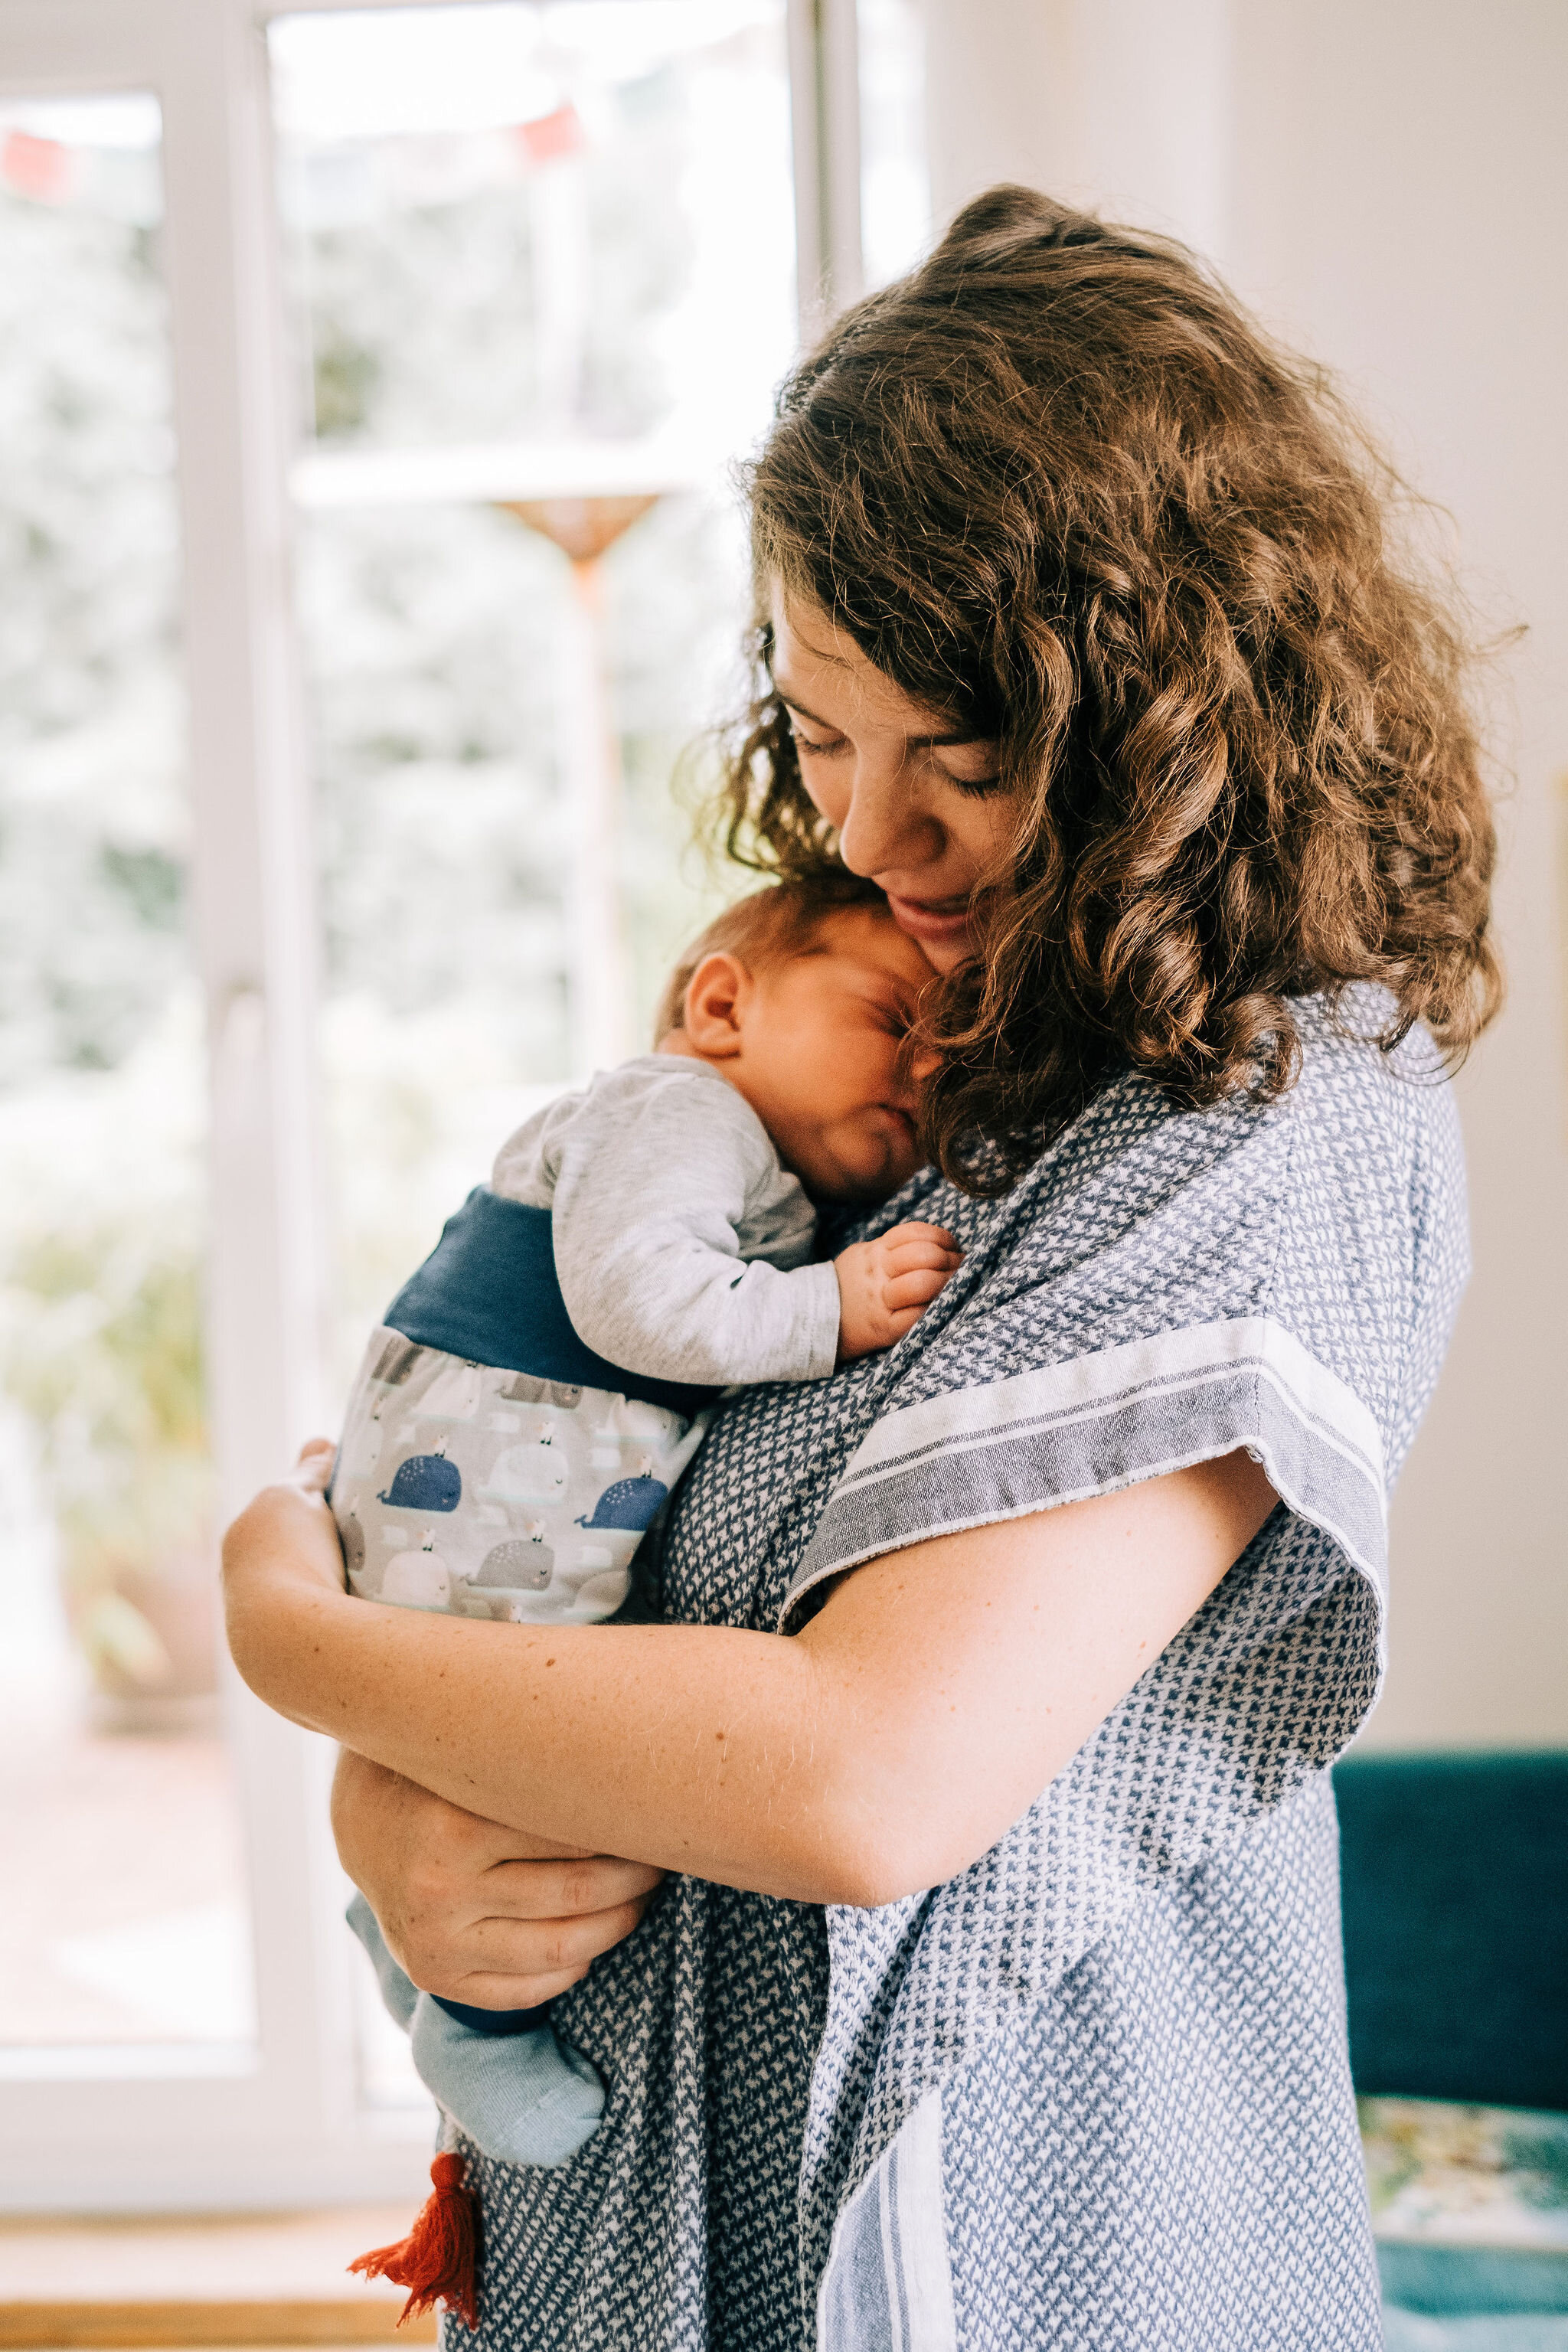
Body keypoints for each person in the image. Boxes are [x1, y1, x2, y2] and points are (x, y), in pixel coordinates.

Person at [223, 186, 1499, 2350]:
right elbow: (638, 1598)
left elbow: (857, 1775)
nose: (878, 847)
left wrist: (295, 1650)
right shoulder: (922, 1058)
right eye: (825, 737)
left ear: (1175, 730)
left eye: (970, 763)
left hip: (1043, 2273)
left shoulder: (1280, 1114)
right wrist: (409, 1824)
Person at [330, 877, 960, 2167]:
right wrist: (826, 1309)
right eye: (894, 1018)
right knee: (543, 1779)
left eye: (955, 1064)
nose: (924, 1074)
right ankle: (472, 2031)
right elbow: (639, 1306)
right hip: (501, 1497)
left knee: (493, 1760)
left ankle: (390, 1937)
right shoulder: (682, 1109)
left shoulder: (730, 1143)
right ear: (722, 1004)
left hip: (503, 1490)